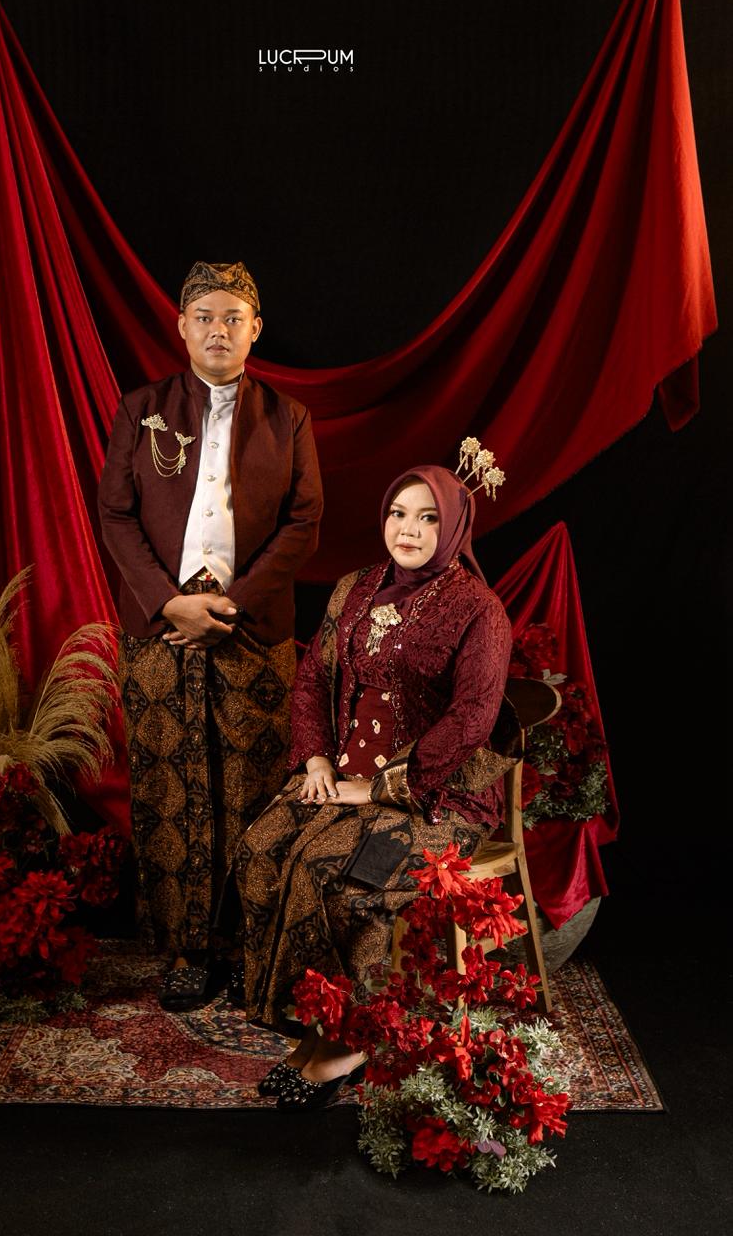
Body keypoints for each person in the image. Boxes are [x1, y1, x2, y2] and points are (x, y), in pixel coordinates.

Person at [234, 463, 518, 1108]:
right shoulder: (354, 590)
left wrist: (382, 788)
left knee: (336, 875)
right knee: (261, 848)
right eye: (398, 513)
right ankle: (307, 1021)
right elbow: (313, 678)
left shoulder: (479, 610)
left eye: (428, 518)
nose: (408, 530)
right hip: (341, 778)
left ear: (454, 528)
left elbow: (473, 718)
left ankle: (351, 1041)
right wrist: (315, 761)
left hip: (439, 798)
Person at [98, 260, 323, 1008]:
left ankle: (251, 943)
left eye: (233, 318)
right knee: (169, 786)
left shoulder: (288, 419)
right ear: (181, 327)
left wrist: (233, 604)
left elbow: (304, 522)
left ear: (255, 330)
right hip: (159, 631)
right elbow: (116, 514)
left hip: (252, 632)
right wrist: (170, 603)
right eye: (204, 317)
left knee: (254, 786)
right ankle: (185, 950)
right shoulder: (142, 407)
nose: (218, 330)